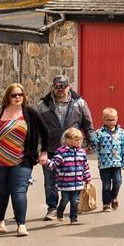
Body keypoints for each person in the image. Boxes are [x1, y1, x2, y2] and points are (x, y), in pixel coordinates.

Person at [0, 83, 47, 235]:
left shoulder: (29, 113)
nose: (18, 97)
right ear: (8, 96)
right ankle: (0, 222)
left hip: (22, 159)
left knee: (18, 190)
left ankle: (21, 225)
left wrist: (44, 152)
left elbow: (45, 132)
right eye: (14, 95)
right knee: (2, 191)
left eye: (20, 94)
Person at [34, 75, 92, 209]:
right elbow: (36, 129)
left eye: (63, 86)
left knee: (73, 179)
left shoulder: (80, 103)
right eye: (57, 86)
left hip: (72, 151)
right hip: (50, 149)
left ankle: (73, 207)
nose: (60, 89)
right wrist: (36, 149)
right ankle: (52, 208)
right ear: (53, 87)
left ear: (69, 87)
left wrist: (91, 143)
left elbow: (88, 124)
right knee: (50, 181)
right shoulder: (42, 105)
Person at [48, 128, 90, 225]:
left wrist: (87, 177)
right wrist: (46, 162)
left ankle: (73, 218)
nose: (79, 142)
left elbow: (85, 166)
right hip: (65, 183)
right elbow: (54, 164)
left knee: (75, 201)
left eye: (80, 139)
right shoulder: (61, 152)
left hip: (78, 182)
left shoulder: (82, 152)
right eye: (76, 140)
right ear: (68, 140)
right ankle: (60, 211)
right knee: (65, 200)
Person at [92, 108, 124, 211]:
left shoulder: (121, 132)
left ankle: (114, 197)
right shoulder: (99, 133)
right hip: (104, 164)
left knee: (118, 181)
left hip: (117, 163)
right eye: (108, 120)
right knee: (106, 184)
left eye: (113, 119)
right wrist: (91, 145)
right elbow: (94, 145)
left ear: (117, 119)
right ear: (103, 119)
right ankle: (106, 203)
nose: (111, 122)